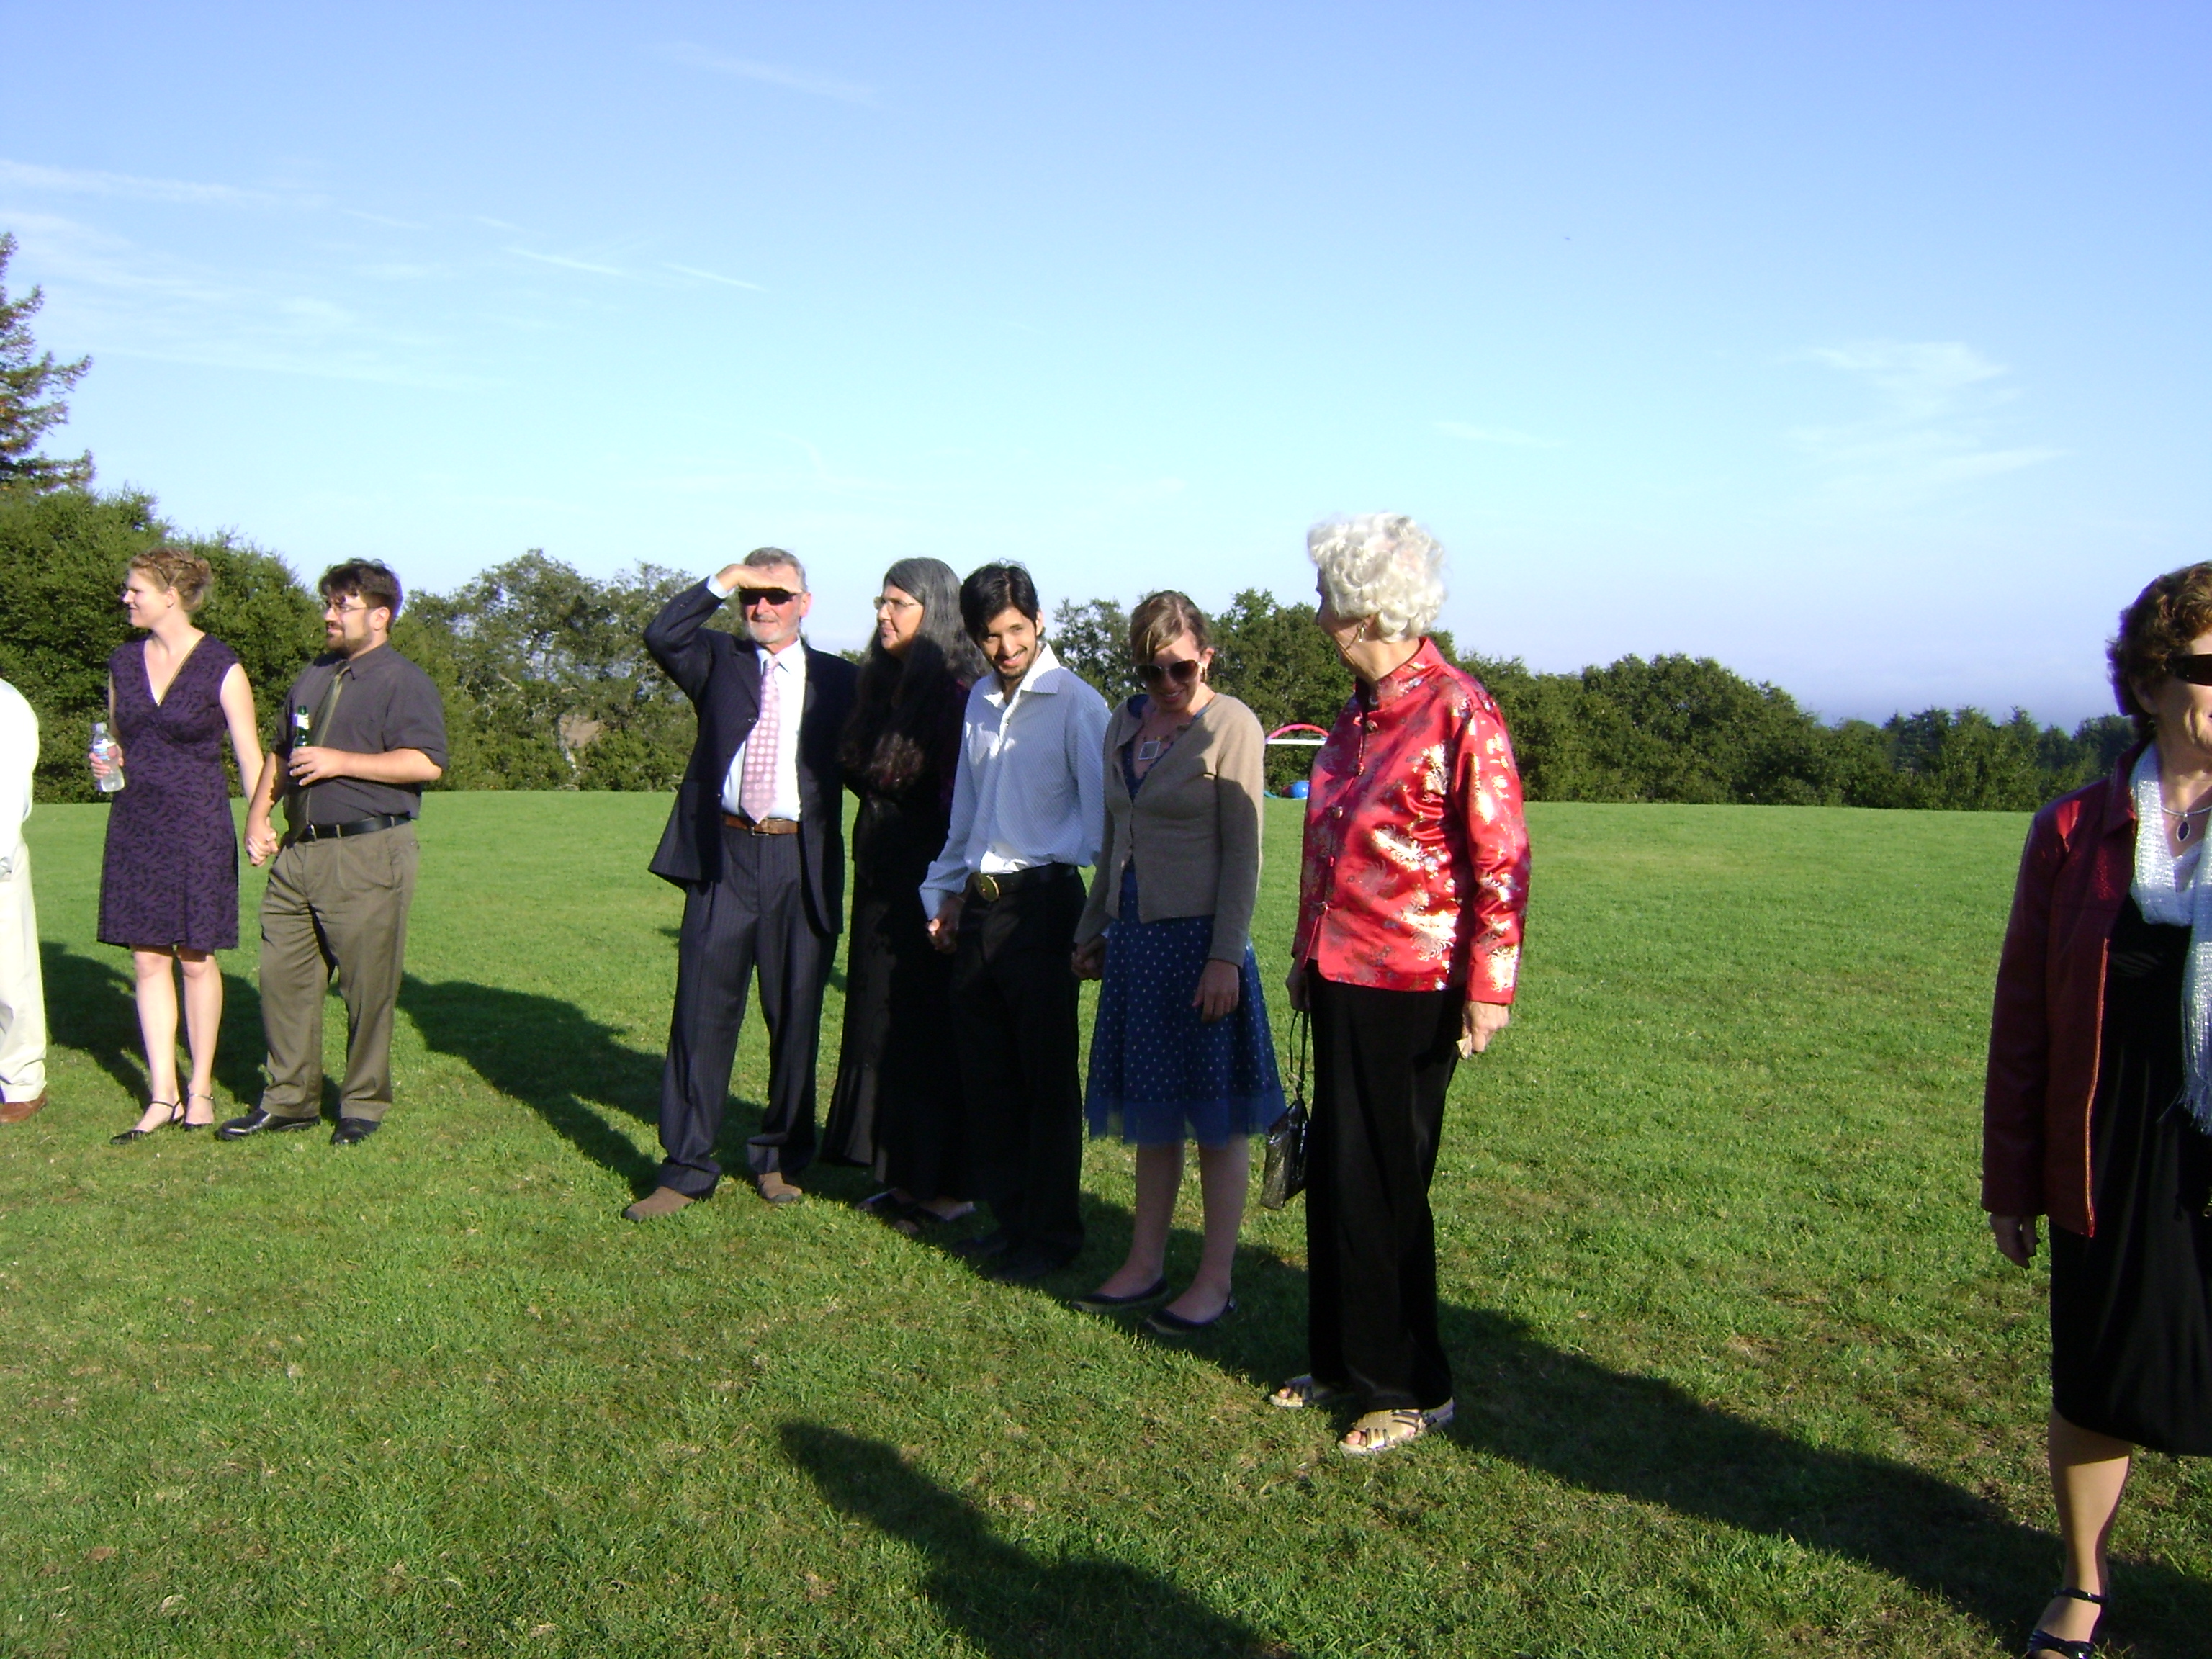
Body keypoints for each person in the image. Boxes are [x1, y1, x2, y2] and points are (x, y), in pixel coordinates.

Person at [1984, 562, 2212, 1659]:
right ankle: (2083, 1581)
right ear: (2155, 681)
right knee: (2095, 1372)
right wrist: (2011, 1178)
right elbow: (2024, 1019)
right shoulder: (2073, 829)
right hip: (2108, 1142)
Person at [1270, 513, 1529, 1457]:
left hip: (1415, 986)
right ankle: (1343, 1360)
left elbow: (1501, 858)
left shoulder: (1459, 709)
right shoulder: (1355, 713)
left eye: (1325, 598)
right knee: (1338, 1175)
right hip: (1340, 972)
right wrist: (1305, 953)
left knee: (1385, 1181)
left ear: (1366, 608)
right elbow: (1329, 847)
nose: (1315, 615)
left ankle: (1412, 1387)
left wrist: (1490, 989)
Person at [1071, 591, 1282, 1331]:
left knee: (1216, 1122)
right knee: (1153, 1114)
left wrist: (1225, 958)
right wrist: (1093, 927)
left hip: (1201, 948)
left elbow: (1244, 854)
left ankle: (1215, 1282)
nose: (1165, 684)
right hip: (1136, 943)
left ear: (1206, 658)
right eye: (1150, 671)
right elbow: (1112, 837)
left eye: (1180, 669)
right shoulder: (1124, 723)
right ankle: (1144, 1263)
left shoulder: (1231, 725)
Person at [628, 548, 859, 1219]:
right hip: (723, 858)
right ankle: (686, 1168)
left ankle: (781, 1158)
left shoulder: (842, 680)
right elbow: (661, 633)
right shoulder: (717, 659)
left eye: (777, 595)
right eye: (750, 595)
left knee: (796, 1018)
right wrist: (724, 577)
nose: (762, 606)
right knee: (700, 1016)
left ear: (805, 604)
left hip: (800, 863)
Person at [921, 563, 1109, 1282]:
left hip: (1045, 905)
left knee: (1045, 1082)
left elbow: (1104, 827)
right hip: (980, 906)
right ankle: (1010, 1222)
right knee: (988, 1075)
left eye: (1016, 631)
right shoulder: (978, 701)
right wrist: (944, 894)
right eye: (991, 636)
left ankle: (1052, 1237)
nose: (1006, 648)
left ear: (1038, 622)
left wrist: (1099, 924)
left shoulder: (1077, 705)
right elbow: (967, 815)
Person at [219, 559, 447, 1147]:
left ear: (381, 616)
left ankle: (362, 1105)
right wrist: (259, 816)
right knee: (283, 982)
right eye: (327, 603)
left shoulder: (403, 681)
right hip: (299, 853)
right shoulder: (314, 674)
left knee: (366, 990)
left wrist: (341, 761)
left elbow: (426, 763)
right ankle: (289, 1100)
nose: (329, 615)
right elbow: (281, 752)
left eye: (342, 606)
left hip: (368, 851)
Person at [823, 558, 985, 1233]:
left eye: (899, 604)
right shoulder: (884, 686)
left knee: (925, 1035)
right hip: (881, 882)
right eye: (881, 602)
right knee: (881, 1025)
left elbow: (959, 807)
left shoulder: (957, 695)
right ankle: (901, 1177)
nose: (884, 614)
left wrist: (949, 898)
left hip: (929, 888)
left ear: (935, 611)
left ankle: (945, 1188)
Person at [92, 549, 266, 1141]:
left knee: (195, 958)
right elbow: (119, 742)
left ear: (171, 596)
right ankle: (162, 1093)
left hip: (198, 826)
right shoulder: (121, 663)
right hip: (136, 824)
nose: (126, 598)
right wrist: (107, 762)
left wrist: (258, 822)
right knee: (146, 959)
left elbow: (250, 758)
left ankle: (201, 1091)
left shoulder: (222, 665)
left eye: (135, 589)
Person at [0, 675, 45, 1125]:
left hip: (0, 856)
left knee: (11, 977)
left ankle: (23, 1082)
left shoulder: (6, 703)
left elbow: (10, 786)